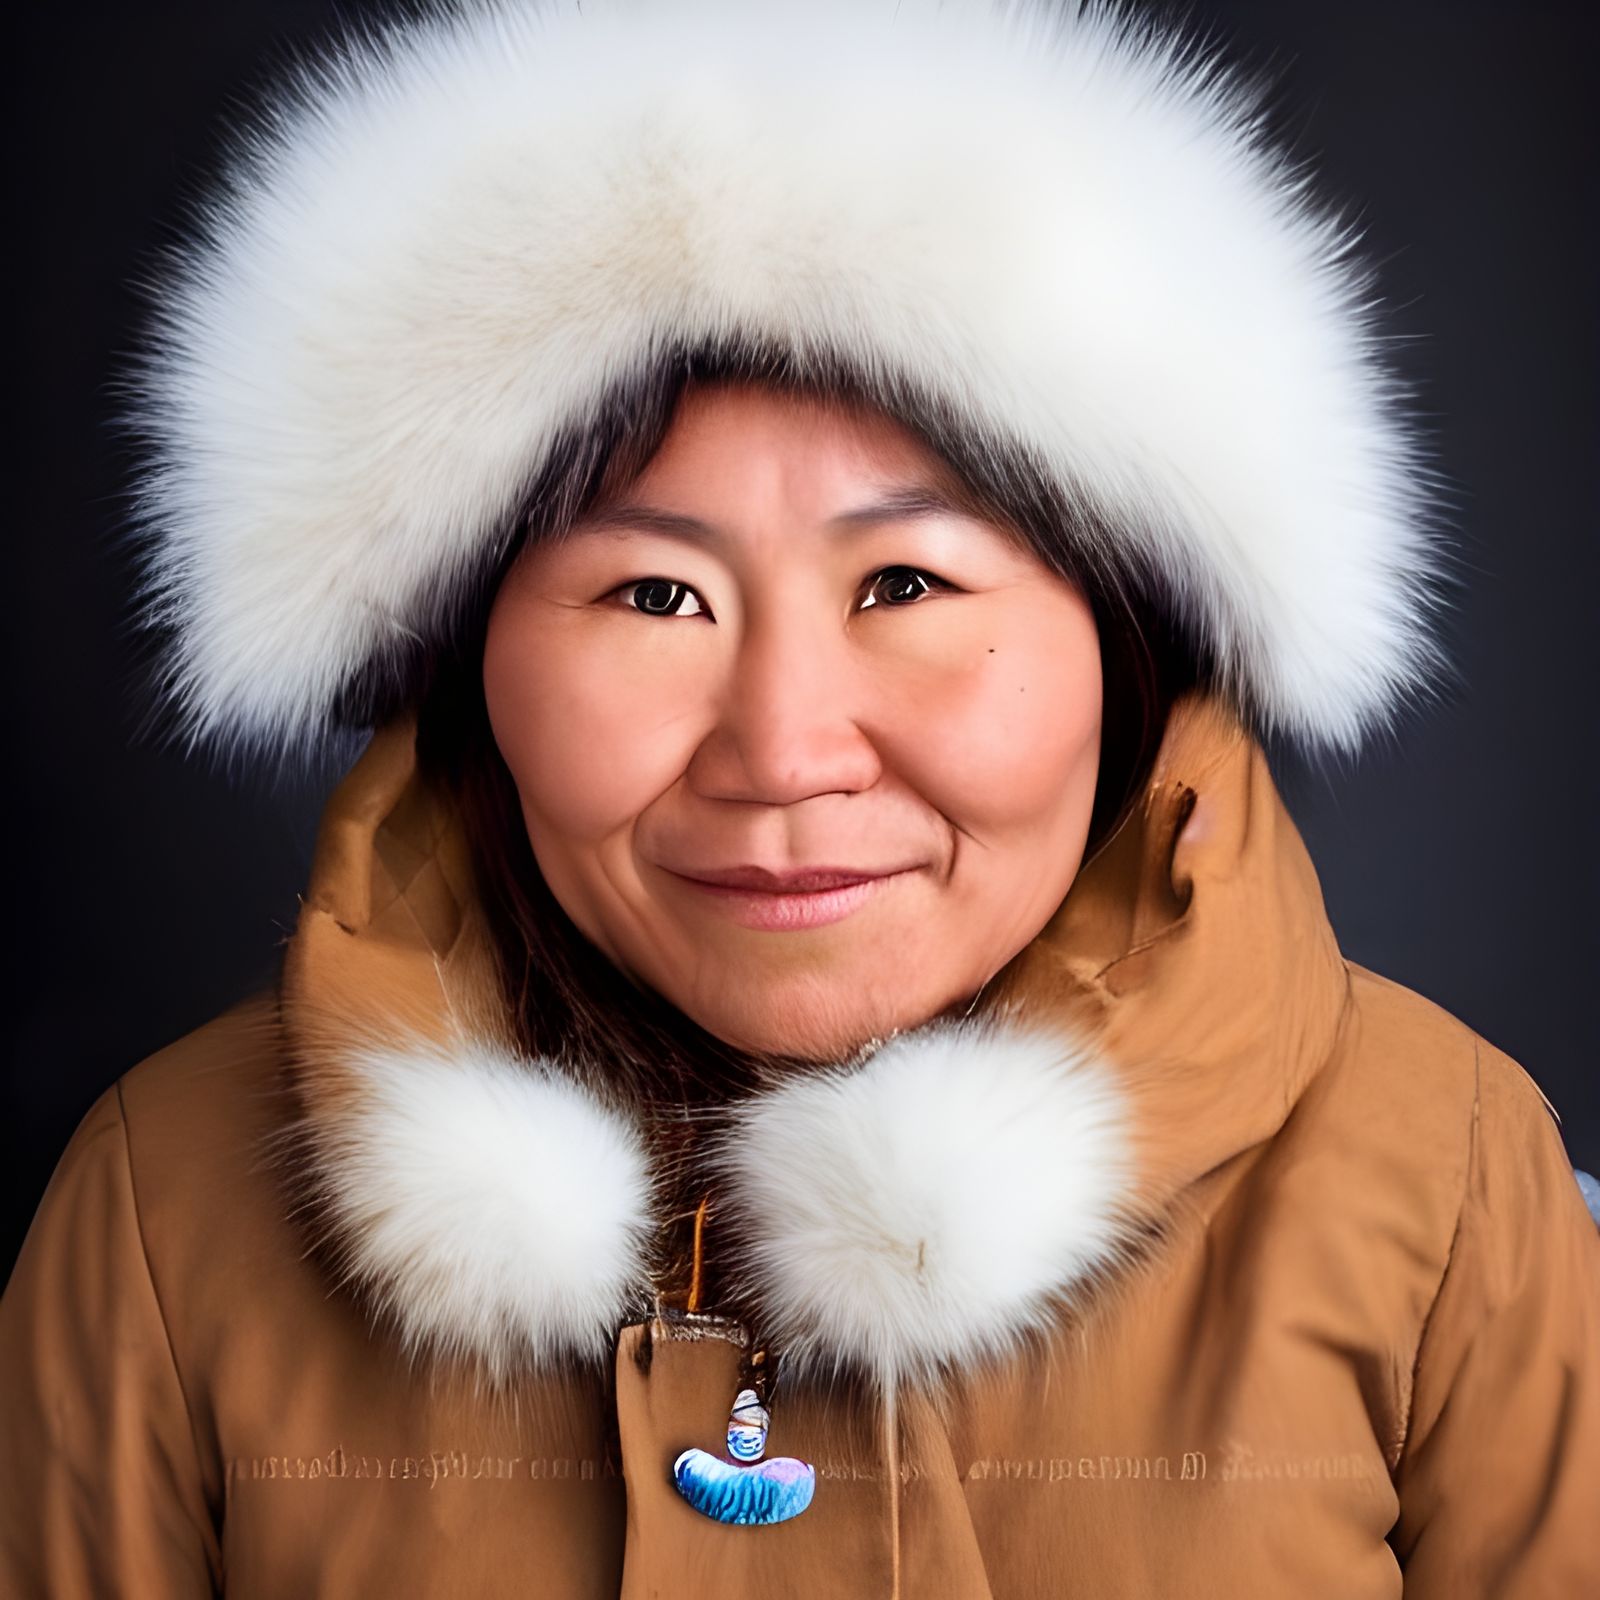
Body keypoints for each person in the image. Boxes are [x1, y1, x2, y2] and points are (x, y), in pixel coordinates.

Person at [3, 1, 1596, 1594]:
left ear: (1134, 638)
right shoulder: (166, 1215)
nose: (779, 750)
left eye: (905, 580)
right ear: (461, 657)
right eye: (652, 595)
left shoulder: (1442, 1183)